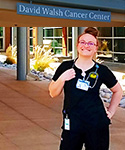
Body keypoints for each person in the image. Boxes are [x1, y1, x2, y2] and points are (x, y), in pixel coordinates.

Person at [49, 27, 123, 150]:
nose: (86, 46)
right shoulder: (65, 67)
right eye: (82, 42)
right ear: (77, 45)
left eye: (90, 43)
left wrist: (111, 112)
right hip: (72, 124)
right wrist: (62, 78)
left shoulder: (102, 70)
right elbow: (52, 92)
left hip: (97, 124)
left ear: (95, 48)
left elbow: (118, 90)